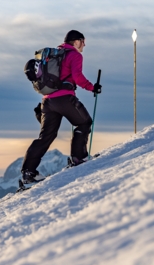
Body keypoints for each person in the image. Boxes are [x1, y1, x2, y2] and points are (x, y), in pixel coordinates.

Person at [21, 30, 101, 184]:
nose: (84, 45)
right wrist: (92, 88)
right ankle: (79, 157)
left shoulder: (55, 55)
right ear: (76, 41)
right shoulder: (75, 55)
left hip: (47, 101)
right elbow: (77, 77)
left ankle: (28, 172)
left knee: (45, 136)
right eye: (83, 41)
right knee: (84, 122)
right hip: (64, 98)